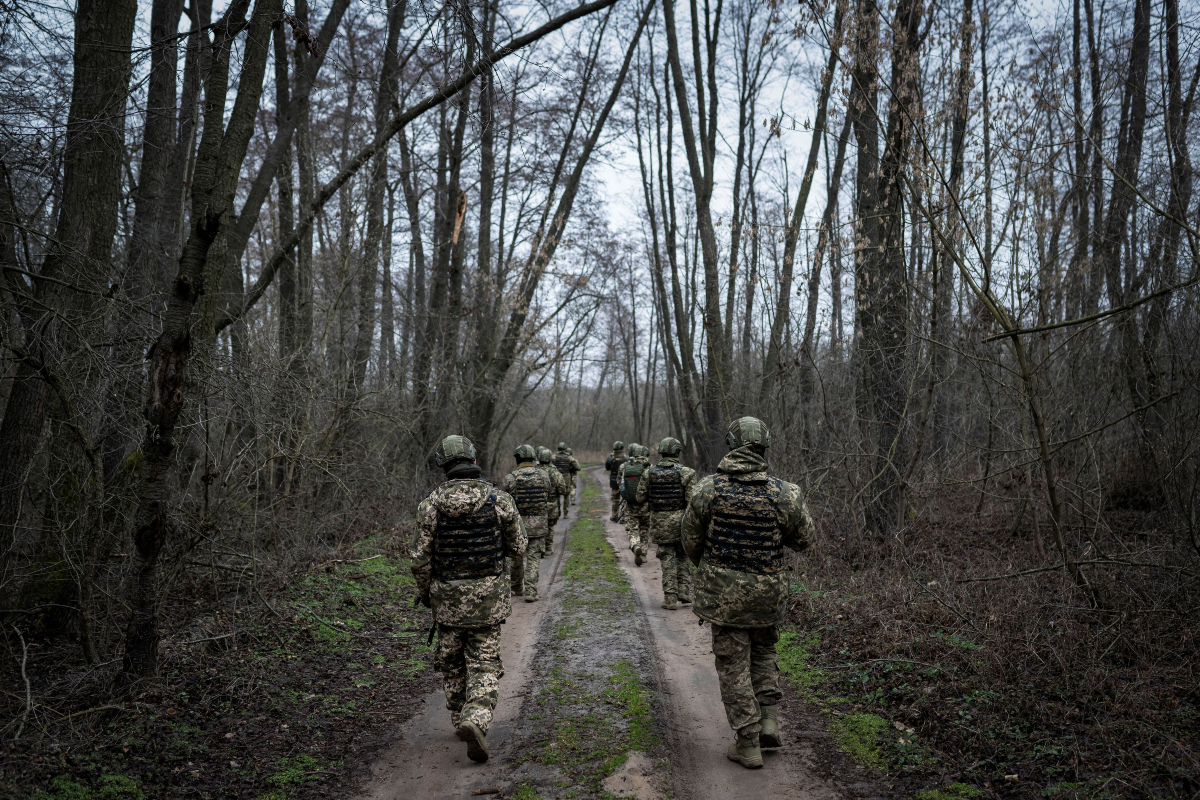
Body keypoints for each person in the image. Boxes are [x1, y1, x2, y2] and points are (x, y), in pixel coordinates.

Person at [682, 417, 814, 769]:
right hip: (769, 592)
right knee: (764, 650)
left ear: (730, 444)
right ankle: (768, 718)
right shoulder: (785, 492)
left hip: (724, 596)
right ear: (765, 445)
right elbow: (804, 540)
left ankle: (748, 741)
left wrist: (713, 571)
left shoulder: (708, 489)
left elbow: (691, 542)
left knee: (732, 664)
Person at [411, 435, 527, 763]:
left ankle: (459, 716)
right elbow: (518, 547)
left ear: (444, 466)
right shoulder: (500, 500)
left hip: (447, 601)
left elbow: (419, 561)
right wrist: (514, 583)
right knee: (485, 661)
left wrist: (426, 594)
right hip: (488, 600)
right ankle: (475, 719)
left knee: (451, 660)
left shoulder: (430, 505)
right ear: (474, 461)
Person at [635, 436, 696, 610]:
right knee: (683, 555)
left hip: (660, 522)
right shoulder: (687, 473)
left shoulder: (649, 472)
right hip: (682, 521)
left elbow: (639, 497)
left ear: (661, 452)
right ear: (677, 452)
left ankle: (670, 599)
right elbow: (692, 501)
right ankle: (684, 592)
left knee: (667, 558)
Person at [503, 445, 554, 602]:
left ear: (518, 458)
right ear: (533, 458)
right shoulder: (544, 476)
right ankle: (531, 591)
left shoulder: (511, 478)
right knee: (533, 559)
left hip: (518, 526)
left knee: (516, 558)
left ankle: (516, 588)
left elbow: (504, 502)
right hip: (539, 525)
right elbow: (548, 495)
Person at [618, 443, 651, 566]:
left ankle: (635, 545)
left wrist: (625, 496)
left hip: (630, 505)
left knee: (632, 529)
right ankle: (643, 555)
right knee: (644, 529)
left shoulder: (624, 466)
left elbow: (620, 484)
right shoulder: (649, 467)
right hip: (646, 505)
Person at [536, 446, 568, 557]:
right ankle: (548, 547)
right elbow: (563, 489)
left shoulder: (535, 470)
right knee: (550, 526)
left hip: (536, 503)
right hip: (551, 503)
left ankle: (539, 548)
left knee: (538, 525)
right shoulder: (554, 472)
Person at [552, 442, 580, 509]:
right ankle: (565, 513)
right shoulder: (569, 457)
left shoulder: (553, 457)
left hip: (556, 477)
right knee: (566, 495)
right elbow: (578, 467)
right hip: (566, 477)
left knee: (556, 495)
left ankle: (558, 511)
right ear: (565, 448)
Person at [605, 441, 627, 522]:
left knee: (615, 499)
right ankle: (623, 518)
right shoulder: (626, 457)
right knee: (624, 499)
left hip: (614, 481)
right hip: (624, 481)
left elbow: (607, 468)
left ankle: (614, 516)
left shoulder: (611, 457)